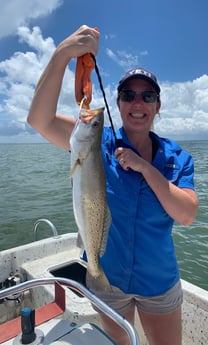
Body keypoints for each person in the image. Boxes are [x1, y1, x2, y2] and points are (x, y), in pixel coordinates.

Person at [27, 25, 198, 345]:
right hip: (109, 281)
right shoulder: (93, 142)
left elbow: (186, 214)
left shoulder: (177, 159)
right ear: (118, 104)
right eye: (128, 95)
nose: (137, 102)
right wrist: (63, 53)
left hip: (159, 283)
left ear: (157, 106)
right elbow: (39, 120)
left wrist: (145, 167)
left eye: (147, 95)